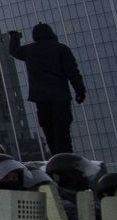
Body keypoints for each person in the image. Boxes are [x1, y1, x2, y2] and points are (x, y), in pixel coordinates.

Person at [8, 24, 86, 155]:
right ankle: (65, 157)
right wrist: (80, 91)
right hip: (60, 97)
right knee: (62, 130)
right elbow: (73, 72)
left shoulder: (29, 50)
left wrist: (15, 37)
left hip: (41, 98)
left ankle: (56, 156)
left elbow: (14, 51)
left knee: (48, 128)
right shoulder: (61, 49)